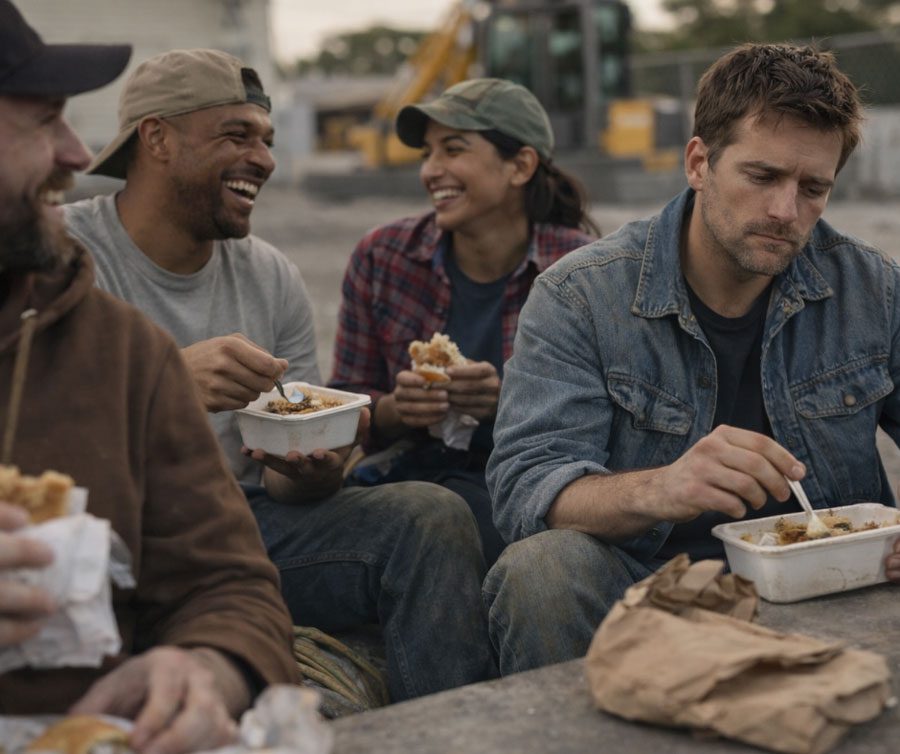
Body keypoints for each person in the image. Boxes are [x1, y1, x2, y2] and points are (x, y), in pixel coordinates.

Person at [64, 49, 496, 702]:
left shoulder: (271, 275)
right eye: (236, 135)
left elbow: (283, 484)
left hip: (243, 526)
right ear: (156, 139)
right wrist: (165, 384)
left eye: (265, 140)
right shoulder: (66, 257)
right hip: (107, 530)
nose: (264, 159)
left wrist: (312, 467)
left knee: (430, 517)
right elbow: (28, 434)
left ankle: (447, 734)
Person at [484, 42, 900, 675]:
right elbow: (527, 487)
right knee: (542, 568)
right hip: (646, 592)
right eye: (762, 176)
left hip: (832, 585)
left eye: (813, 188)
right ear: (699, 163)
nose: (785, 211)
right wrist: (663, 487)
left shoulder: (872, 288)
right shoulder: (581, 295)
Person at [0, 2, 298, 752]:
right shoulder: (95, 258)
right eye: (44, 121)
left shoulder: (116, 345)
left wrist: (208, 666)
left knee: (422, 516)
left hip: (88, 728)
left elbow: (226, 581)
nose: (76, 153)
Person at [330, 78, 598, 567]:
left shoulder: (583, 270)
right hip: (407, 478)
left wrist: (509, 402)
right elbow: (344, 401)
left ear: (520, 166)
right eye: (427, 154)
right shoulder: (382, 256)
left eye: (452, 150)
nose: (431, 170)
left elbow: (606, 423)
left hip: (526, 488)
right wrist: (395, 408)